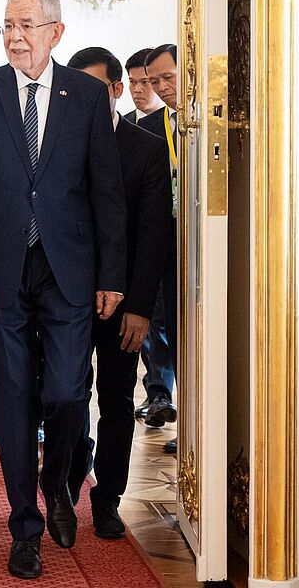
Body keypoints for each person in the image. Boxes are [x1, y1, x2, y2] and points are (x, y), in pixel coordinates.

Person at [0, 0, 125, 579]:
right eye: (6, 26)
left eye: (26, 24)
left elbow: (107, 194)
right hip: (1, 274)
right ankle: (24, 525)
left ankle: (59, 486)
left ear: (56, 30)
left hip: (70, 271)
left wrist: (112, 276)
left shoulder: (90, 96)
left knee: (69, 392)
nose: (15, 36)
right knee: (16, 399)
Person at [63, 48, 171, 539]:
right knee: (65, 396)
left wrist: (140, 308)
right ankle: (66, 480)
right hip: (63, 299)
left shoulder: (143, 146)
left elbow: (152, 235)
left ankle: (108, 497)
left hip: (123, 303)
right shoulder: (56, 142)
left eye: (94, 88)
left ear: (115, 89)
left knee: (117, 400)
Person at [132, 44, 180, 455]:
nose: (162, 87)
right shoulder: (150, 130)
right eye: (154, 81)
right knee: (166, 327)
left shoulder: (206, 123)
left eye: (168, 77)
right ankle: (162, 393)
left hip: (202, 247)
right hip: (161, 245)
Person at [122, 48, 166, 131]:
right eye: (132, 82)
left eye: (145, 82)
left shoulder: (175, 123)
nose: (137, 89)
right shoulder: (120, 126)